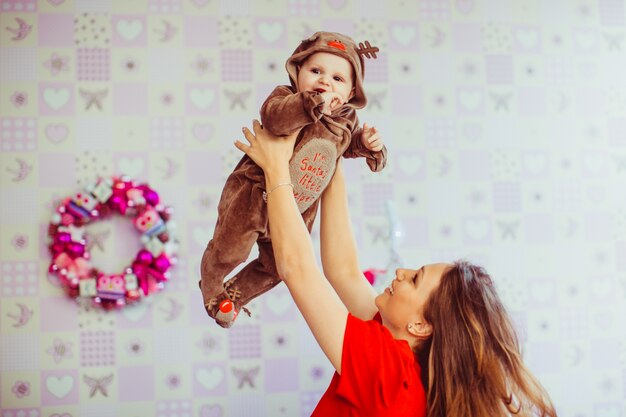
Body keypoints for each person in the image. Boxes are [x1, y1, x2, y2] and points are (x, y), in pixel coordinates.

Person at [234, 121, 558, 417]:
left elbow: (296, 267)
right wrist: (332, 150)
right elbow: (344, 270)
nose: (401, 272)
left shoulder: (390, 372)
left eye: (415, 279)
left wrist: (275, 167)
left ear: (420, 325)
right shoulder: (395, 352)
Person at [200, 31, 387, 328]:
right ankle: (211, 286)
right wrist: (309, 104)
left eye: (338, 79)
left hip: (294, 212)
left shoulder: (346, 122)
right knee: (230, 250)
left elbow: (344, 147)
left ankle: (233, 297)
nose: (325, 82)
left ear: (351, 93)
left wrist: (367, 144)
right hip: (253, 196)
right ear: (297, 73)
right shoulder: (285, 99)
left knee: (278, 268)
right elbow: (275, 119)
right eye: (316, 72)